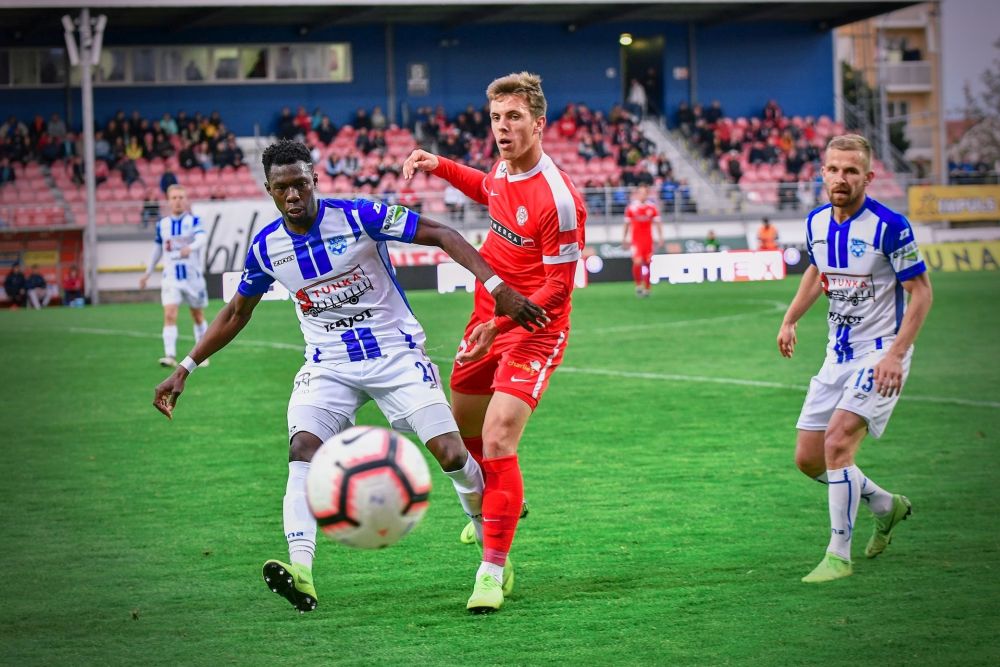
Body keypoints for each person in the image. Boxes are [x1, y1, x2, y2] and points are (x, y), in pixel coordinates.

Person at [151, 140, 545, 614]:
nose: (293, 195)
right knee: (302, 448)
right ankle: (301, 571)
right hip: (328, 366)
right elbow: (236, 312)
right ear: (269, 190)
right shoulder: (267, 248)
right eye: (282, 188)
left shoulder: (359, 215)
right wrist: (185, 367)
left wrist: (497, 287)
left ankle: (491, 543)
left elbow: (441, 233)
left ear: (315, 180)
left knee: (451, 453)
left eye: (301, 183)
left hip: (396, 355)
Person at [403, 71, 586, 613]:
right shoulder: (504, 170)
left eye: (514, 118)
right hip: (486, 318)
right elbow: (485, 187)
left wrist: (500, 327)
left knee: (499, 437)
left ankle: (492, 568)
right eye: (496, 118)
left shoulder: (559, 199)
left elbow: (558, 288)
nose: (503, 128)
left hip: (533, 331)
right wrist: (438, 164)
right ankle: (498, 509)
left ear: (539, 123)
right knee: (463, 431)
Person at [777, 134, 933, 583]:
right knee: (809, 458)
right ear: (822, 172)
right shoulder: (816, 222)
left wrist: (895, 355)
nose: (840, 178)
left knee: (838, 442)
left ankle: (838, 555)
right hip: (837, 352)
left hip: (881, 352)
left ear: (868, 176)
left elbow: (921, 292)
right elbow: (816, 270)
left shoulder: (890, 226)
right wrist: (790, 319)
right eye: (833, 169)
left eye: (850, 170)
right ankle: (885, 505)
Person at [139, 185, 211, 368]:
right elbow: (157, 249)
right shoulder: (162, 225)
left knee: (197, 315)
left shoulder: (194, 221)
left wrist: (190, 247)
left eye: (181, 197)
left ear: (186, 200)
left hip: (192, 277)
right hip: (171, 278)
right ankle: (169, 355)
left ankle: (202, 355)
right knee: (169, 314)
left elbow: (202, 238)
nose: (178, 201)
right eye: (174, 198)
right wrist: (148, 272)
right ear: (168, 201)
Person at [622, 184, 664, 298]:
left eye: (644, 193)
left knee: (647, 263)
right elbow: (626, 224)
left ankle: (647, 287)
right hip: (636, 240)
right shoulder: (631, 208)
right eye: (640, 193)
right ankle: (638, 286)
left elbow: (658, 223)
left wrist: (661, 238)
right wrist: (624, 238)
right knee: (637, 262)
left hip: (648, 240)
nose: (642, 195)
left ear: (648, 194)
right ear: (637, 194)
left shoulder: (652, 207)